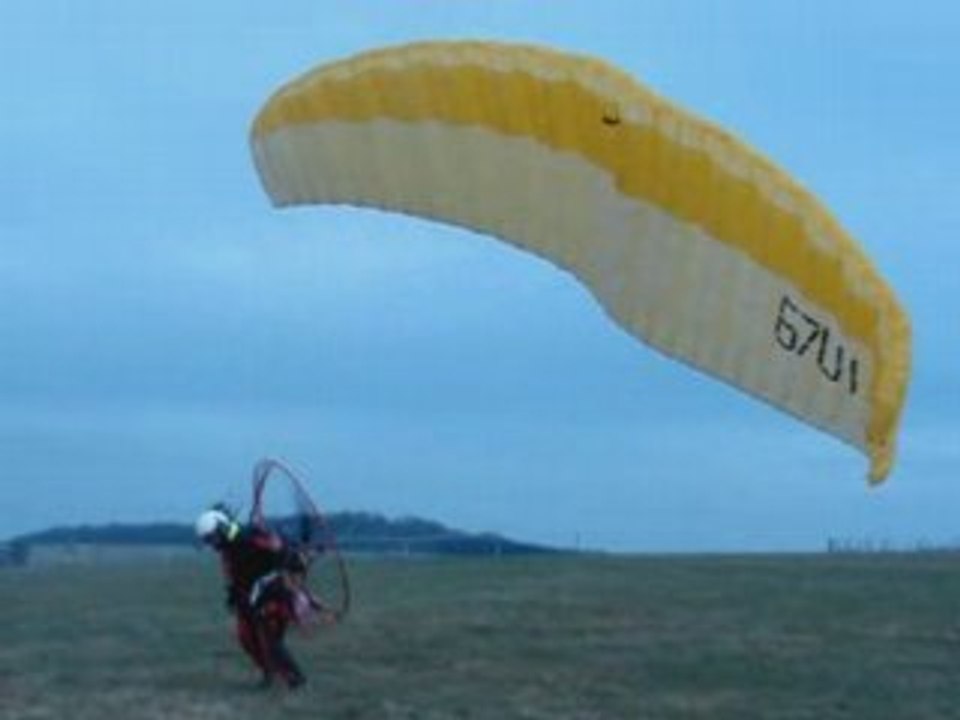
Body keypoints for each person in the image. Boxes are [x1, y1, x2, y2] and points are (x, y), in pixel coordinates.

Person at [195, 506, 310, 689]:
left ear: (222, 528)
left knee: (269, 637)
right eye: (208, 541)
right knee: (246, 636)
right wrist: (233, 595)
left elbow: (282, 550)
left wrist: (293, 559)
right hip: (249, 597)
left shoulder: (251, 535)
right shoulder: (227, 548)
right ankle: (269, 673)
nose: (212, 545)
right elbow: (233, 574)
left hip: (273, 592)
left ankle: (295, 679)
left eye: (212, 538)